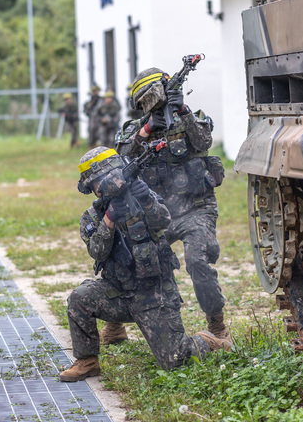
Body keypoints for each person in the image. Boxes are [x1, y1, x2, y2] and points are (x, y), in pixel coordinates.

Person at [59, 147, 231, 382]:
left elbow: (164, 221)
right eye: (99, 183)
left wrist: (147, 200)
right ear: (92, 188)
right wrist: (109, 219)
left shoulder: (143, 196)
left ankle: (209, 341)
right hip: (119, 294)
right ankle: (87, 361)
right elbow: (97, 251)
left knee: (175, 360)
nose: (106, 185)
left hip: (154, 295)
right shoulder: (92, 217)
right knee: (80, 298)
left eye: (110, 177)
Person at [111, 67, 228, 344]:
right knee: (126, 258)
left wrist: (183, 111)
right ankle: (115, 324)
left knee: (197, 261)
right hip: (157, 214)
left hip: (195, 208)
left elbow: (205, 141)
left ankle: (218, 326)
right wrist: (147, 129)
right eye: (147, 101)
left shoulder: (190, 117)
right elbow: (120, 159)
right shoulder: (133, 130)